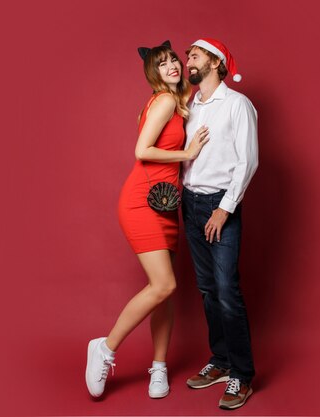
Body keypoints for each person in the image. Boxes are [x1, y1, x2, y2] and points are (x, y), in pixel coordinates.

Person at [85, 41, 209, 399]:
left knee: (164, 296)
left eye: (174, 60)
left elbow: (199, 85)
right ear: (152, 73)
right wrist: (189, 151)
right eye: (164, 63)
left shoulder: (177, 99)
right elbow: (142, 150)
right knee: (164, 286)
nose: (172, 66)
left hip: (166, 203)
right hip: (142, 201)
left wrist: (212, 68)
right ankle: (105, 348)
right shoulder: (166, 100)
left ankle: (159, 368)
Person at [181, 38, 258, 410]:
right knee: (208, 289)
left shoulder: (237, 105)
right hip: (190, 203)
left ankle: (242, 374)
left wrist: (224, 209)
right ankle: (222, 361)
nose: (187, 60)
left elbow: (248, 161)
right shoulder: (191, 105)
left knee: (227, 291)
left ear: (214, 62)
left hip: (218, 205)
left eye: (194, 55)